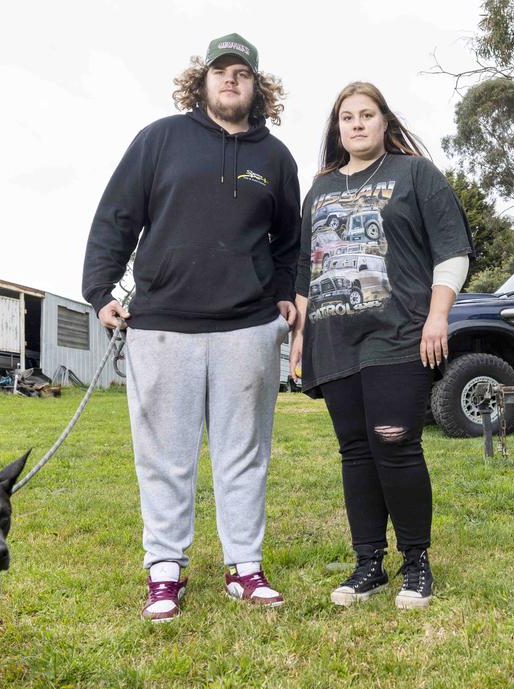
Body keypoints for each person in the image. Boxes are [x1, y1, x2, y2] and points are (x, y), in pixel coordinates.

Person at [82, 33, 300, 622]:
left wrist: (282, 299)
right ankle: (165, 572)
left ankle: (245, 568)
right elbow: (117, 217)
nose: (232, 80)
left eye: (243, 73)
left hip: (247, 327)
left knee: (243, 454)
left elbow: (290, 242)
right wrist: (100, 292)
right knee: (165, 455)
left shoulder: (275, 158)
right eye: (221, 71)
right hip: (162, 323)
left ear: (258, 87)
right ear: (201, 80)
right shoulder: (159, 140)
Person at [289, 82, 471, 609]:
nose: (357, 124)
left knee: (394, 441)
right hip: (333, 336)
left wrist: (438, 316)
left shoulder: (414, 173)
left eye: (366, 115)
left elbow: (452, 250)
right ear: (337, 128)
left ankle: (416, 562)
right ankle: (369, 562)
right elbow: (306, 268)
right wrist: (300, 336)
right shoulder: (319, 189)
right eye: (347, 117)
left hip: (397, 332)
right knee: (355, 452)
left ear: (384, 121)